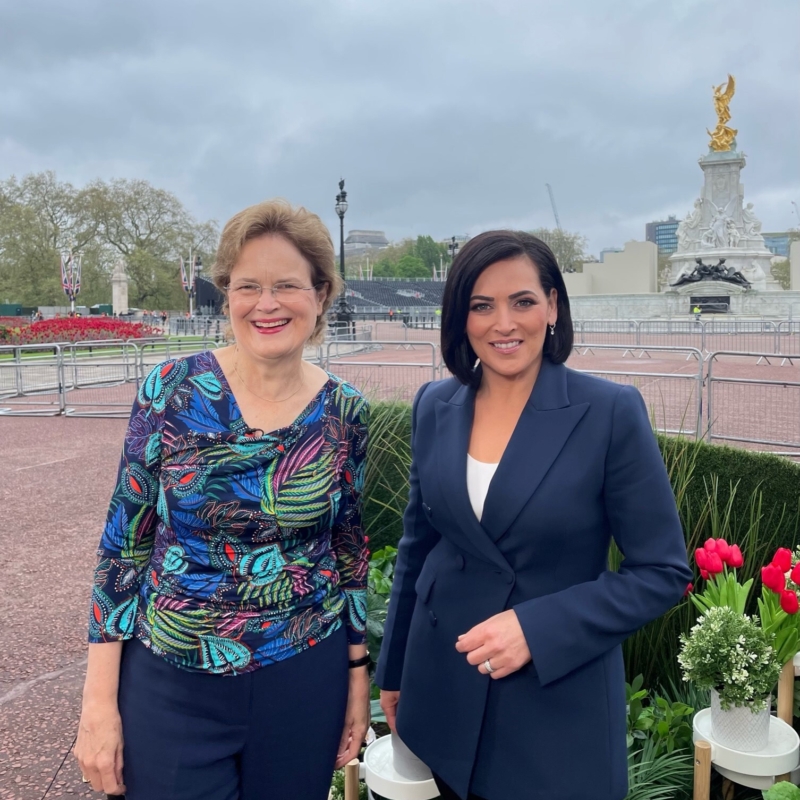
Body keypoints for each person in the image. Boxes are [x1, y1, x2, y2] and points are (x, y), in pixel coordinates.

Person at [375, 230, 691, 800]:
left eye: (522, 301)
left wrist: (537, 628)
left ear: (552, 306)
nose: (504, 323)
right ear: (460, 319)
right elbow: (417, 547)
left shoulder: (609, 412)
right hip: (443, 689)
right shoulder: (433, 405)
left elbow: (662, 572)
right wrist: (393, 671)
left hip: (552, 707)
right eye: (481, 305)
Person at [75, 200, 371, 800]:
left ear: (320, 295)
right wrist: (98, 705)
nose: (267, 304)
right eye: (248, 286)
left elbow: (349, 553)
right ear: (226, 295)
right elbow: (122, 549)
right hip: (171, 677)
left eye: (286, 285)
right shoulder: (171, 390)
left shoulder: (345, 411)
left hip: (303, 671)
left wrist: (357, 678)